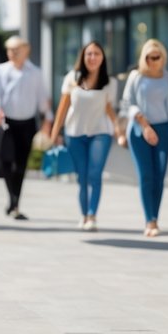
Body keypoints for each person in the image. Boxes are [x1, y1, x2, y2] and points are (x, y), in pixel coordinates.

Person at [49, 42, 119, 232]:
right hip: (75, 134)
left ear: (102, 57)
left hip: (101, 133)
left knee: (95, 175)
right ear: (83, 56)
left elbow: (109, 108)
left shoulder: (110, 82)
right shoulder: (72, 78)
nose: (93, 57)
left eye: (97, 53)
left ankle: (92, 216)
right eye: (89, 54)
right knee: (82, 176)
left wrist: (118, 130)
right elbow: (62, 108)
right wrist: (54, 134)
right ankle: (83, 214)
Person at [0, 36, 52, 220]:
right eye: (9, 49)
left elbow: (42, 99)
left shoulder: (35, 72)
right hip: (7, 123)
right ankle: (12, 199)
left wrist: (48, 118)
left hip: (27, 124)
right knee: (6, 160)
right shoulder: (1, 70)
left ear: (26, 50)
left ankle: (15, 202)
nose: (13, 53)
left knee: (21, 164)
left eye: (16, 49)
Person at [121, 39, 168, 238]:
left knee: (159, 175)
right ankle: (150, 220)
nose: (152, 61)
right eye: (148, 57)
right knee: (146, 176)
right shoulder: (136, 76)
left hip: (163, 129)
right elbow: (127, 103)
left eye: (156, 57)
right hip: (139, 129)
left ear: (163, 57)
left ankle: (155, 216)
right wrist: (144, 124)